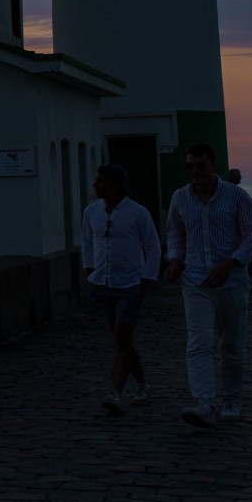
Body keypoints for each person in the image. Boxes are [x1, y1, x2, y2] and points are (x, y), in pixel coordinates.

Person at [163, 142, 252, 427]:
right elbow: (175, 233)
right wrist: (174, 261)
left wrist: (230, 264)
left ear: (213, 164)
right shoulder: (180, 198)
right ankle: (203, 402)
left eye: (200, 165)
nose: (195, 171)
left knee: (231, 343)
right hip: (195, 281)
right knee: (199, 343)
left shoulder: (236, 197)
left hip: (232, 282)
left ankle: (231, 397)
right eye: (190, 166)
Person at [82, 163, 162, 414]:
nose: (95, 185)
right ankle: (143, 384)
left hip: (130, 284)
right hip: (103, 283)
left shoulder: (138, 213)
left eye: (101, 181)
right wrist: (89, 269)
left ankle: (115, 392)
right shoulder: (91, 212)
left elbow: (153, 247)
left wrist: (145, 281)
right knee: (121, 339)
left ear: (116, 184)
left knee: (123, 338)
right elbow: (86, 241)